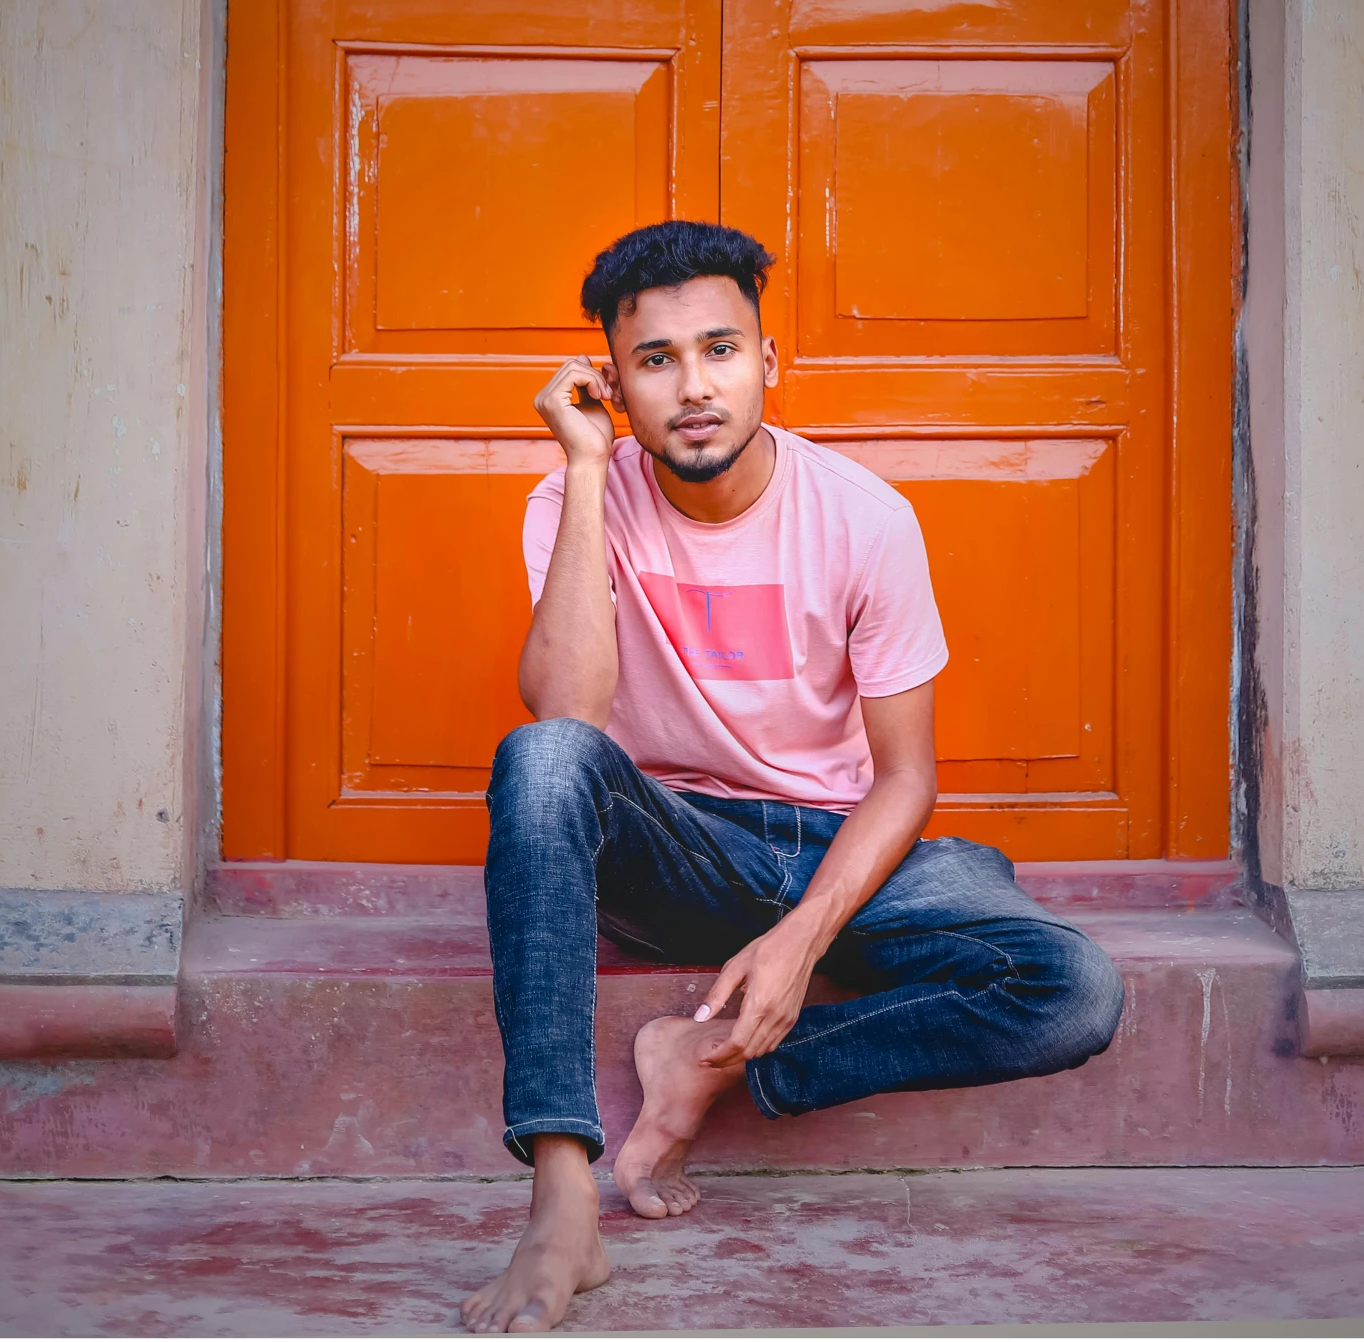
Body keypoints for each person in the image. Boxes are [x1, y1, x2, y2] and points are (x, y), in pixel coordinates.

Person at [461, 220, 1123, 1335]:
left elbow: (907, 777)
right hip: (680, 842)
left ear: (771, 359)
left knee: (1074, 990)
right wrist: (581, 468)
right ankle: (560, 1197)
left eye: (722, 348)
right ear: (613, 383)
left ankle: (706, 1064)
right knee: (540, 760)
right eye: (656, 360)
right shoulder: (579, 502)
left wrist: (806, 932)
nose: (695, 386)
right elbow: (567, 715)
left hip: (841, 839)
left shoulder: (864, 516)